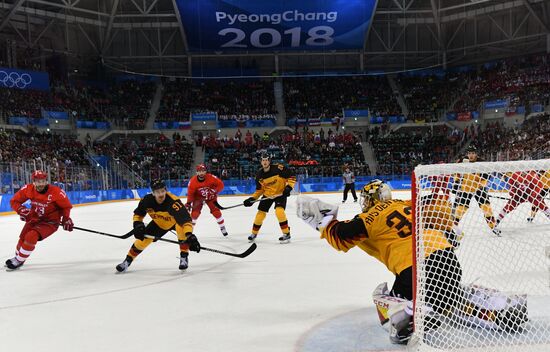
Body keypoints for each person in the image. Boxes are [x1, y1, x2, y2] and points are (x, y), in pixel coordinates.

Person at [296, 179, 462, 344]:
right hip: (450, 261)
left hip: (416, 270)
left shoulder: (371, 217)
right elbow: (439, 205)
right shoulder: (406, 203)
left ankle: (412, 317)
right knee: (442, 297)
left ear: (375, 198)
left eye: (367, 198)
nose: (365, 203)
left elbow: (341, 238)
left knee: (387, 305)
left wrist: (324, 222)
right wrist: (450, 228)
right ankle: (458, 302)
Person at [115, 179, 200, 272]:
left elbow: (186, 221)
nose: (161, 194)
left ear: (166, 190)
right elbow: (138, 214)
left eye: (163, 191)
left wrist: (190, 236)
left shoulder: (174, 202)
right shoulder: (146, 201)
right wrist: (137, 224)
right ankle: (127, 261)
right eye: (157, 192)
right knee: (142, 240)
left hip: (175, 222)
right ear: (153, 193)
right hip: (159, 223)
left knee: (183, 232)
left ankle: (184, 257)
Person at [5, 170, 74, 270]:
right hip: (34, 218)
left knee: (31, 236)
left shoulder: (56, 192)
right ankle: (17, 257)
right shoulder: (28, 189)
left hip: (49, 222)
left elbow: (66, 207)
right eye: (38, 181)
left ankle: (19, 260)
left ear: (46, 181)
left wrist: (66, 219)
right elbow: (14, 201)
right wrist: (21, 210)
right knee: (22, 238)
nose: (41, 183)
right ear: (33, 181)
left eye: (43, 181)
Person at [243, 153, 296, 243]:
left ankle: (286, 233)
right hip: (268, 195)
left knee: (279, 212)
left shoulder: (278, 168)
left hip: (280, 194)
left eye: (266, 160)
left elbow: (291, 177)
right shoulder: (259, 175)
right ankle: (254, 233)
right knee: (260, 214)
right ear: (261, 162)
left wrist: (289, 188)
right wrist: (252, 199)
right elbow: (259, 190)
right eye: (263, 160)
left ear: (269, 161)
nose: (265, 162)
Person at [453, 145, 499, 235]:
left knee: (486, 207)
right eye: (469, 153)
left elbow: (486, 176)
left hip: (478, 188)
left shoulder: (482, 163)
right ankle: (453, 226)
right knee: (461, 209)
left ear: (476, 154)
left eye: (473, 153)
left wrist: (480, 186)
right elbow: (456, 172)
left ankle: (493, 226)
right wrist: (456, 182)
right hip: (466, 188)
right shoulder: (462, 161)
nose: (471, 155)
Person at [186, 164, 228, 237]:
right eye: (199, 171)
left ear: (206, 171)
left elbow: (221, 185)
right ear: (197, 172)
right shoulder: (192, 181)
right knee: (194, 214)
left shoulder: (211, 177)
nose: (201, 173)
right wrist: (188, 203)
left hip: (210, 196)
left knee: (216, 212)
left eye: (203, 171)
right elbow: (190, 193)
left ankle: (222, 227)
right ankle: (189, 231)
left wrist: (214, 191)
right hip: (198, 198)